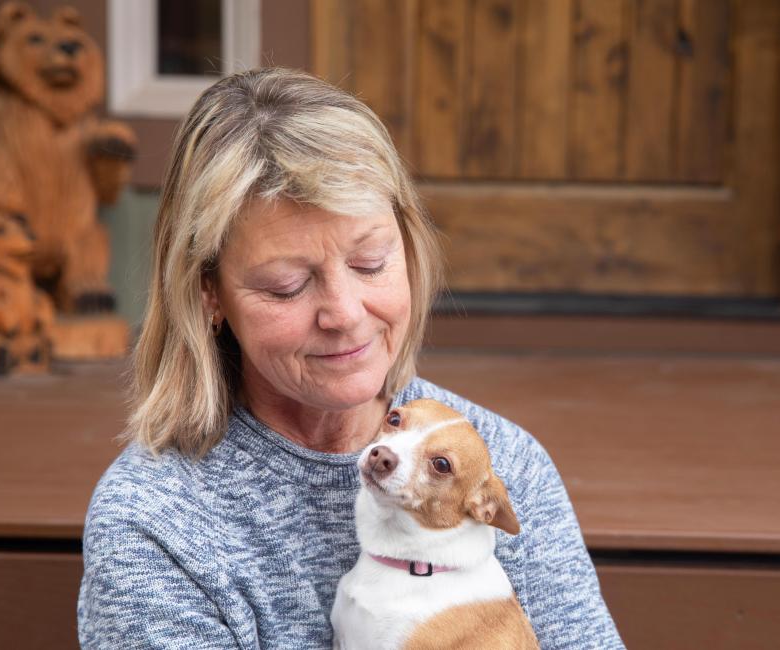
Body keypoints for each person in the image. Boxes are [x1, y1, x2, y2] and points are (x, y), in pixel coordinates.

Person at [77, 67, 624, 649]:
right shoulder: (157, 523)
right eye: (287, 285)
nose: (345, 312)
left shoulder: (499, 462)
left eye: (370, 263)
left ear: (409, 249)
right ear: (208, 293)